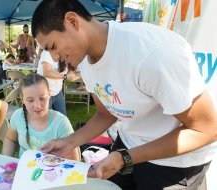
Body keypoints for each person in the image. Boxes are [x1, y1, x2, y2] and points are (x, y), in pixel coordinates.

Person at [31, 0, 217, 189]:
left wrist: (125, 158)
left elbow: (206, 129)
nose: (54, 58)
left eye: (52, 46)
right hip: (128, 145)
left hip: (175, 162)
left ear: (72, 21)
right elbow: (106, 113)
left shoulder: (152, 53)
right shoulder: (85, 62)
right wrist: (69, 142)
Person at [2, 73, 80, 161]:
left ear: (49, 94)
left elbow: (74, 161)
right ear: (22, 99)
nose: (37, 105)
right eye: (30, 100)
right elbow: (10, 139)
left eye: (42, 98)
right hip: (24, 171)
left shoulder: (61, 123)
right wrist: (6, 161)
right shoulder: (17, 116)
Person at [37, 50, 80, 115]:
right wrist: (65, 76)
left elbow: (69, 76)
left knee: (63, 117)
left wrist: (81, 75)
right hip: (44, 93)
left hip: (57, 92)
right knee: (47, 120)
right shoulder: (48, 52)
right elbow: (46, 72)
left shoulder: (67, 55)